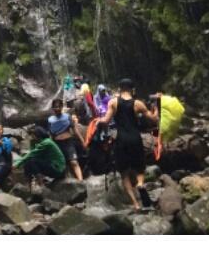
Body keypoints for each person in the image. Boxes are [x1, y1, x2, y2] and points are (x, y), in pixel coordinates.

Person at [97, 79, 159, 211]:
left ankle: (135, 204)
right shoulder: (138, 103)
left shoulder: (113, 102)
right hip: (135, 138)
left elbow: (106, 121)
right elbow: (154, 119)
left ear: (119, 89)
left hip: (121, 139)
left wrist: (98, 121)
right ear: (132, 89)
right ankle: (140, 184)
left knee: (124, 173)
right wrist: (156, 107)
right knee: (140, 168)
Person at [48, 97, 84, 181]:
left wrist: (82, 141)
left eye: (59, 106)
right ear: (53, 108)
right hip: (57, 144)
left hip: (68, 142)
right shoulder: (50, 120)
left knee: (74, 162)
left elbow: (75, 130)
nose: (57, 108)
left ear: (61, 107)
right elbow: (51, 134)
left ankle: (81, 181)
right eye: (55, 107)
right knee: (61, 163)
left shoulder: (67, 117)